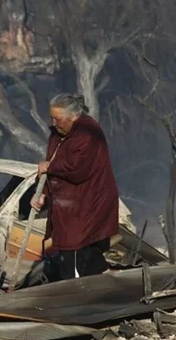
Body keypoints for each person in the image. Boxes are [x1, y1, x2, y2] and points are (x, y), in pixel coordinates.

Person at [30, 93, 119, 281]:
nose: (54, 123)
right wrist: (44, 193)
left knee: (76, 250)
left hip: (87, 205)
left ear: (73, 116)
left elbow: (77, 169)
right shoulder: (59, 133)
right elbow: (52, 164)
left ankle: (77, 295)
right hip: (68, 207)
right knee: (75, 251)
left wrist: (49, 166)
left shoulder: (87, 133)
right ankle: (101, 283)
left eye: (58, 119)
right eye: (52, 118)